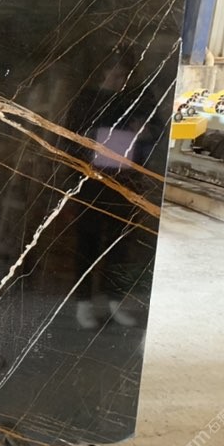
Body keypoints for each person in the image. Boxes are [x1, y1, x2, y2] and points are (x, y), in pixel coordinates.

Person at [67, 48, 162, 330]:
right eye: (116, 74)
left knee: (120, 243)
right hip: (90, 180)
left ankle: (115, 301)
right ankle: (83, 304)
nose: (120, 80)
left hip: (126, 180)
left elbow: (158, 130)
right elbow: (69, 137)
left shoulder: (139, 97)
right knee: (88, 242)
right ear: (103, 72)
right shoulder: (87, 99)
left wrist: (147, 132)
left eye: (125, 75)